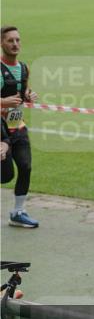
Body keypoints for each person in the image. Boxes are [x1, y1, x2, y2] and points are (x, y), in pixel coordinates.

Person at [1, 26, 40, 228]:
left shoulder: (24, 68)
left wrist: (29, 95)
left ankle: (18, 212)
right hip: (1, 133)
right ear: (1, 43)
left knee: (26, 167)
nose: (15, 44)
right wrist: (3, 102)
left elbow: (22, 91)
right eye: (10, 40)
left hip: (18, 128)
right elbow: (6, 100)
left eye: (17, 40)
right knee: (5, 176)